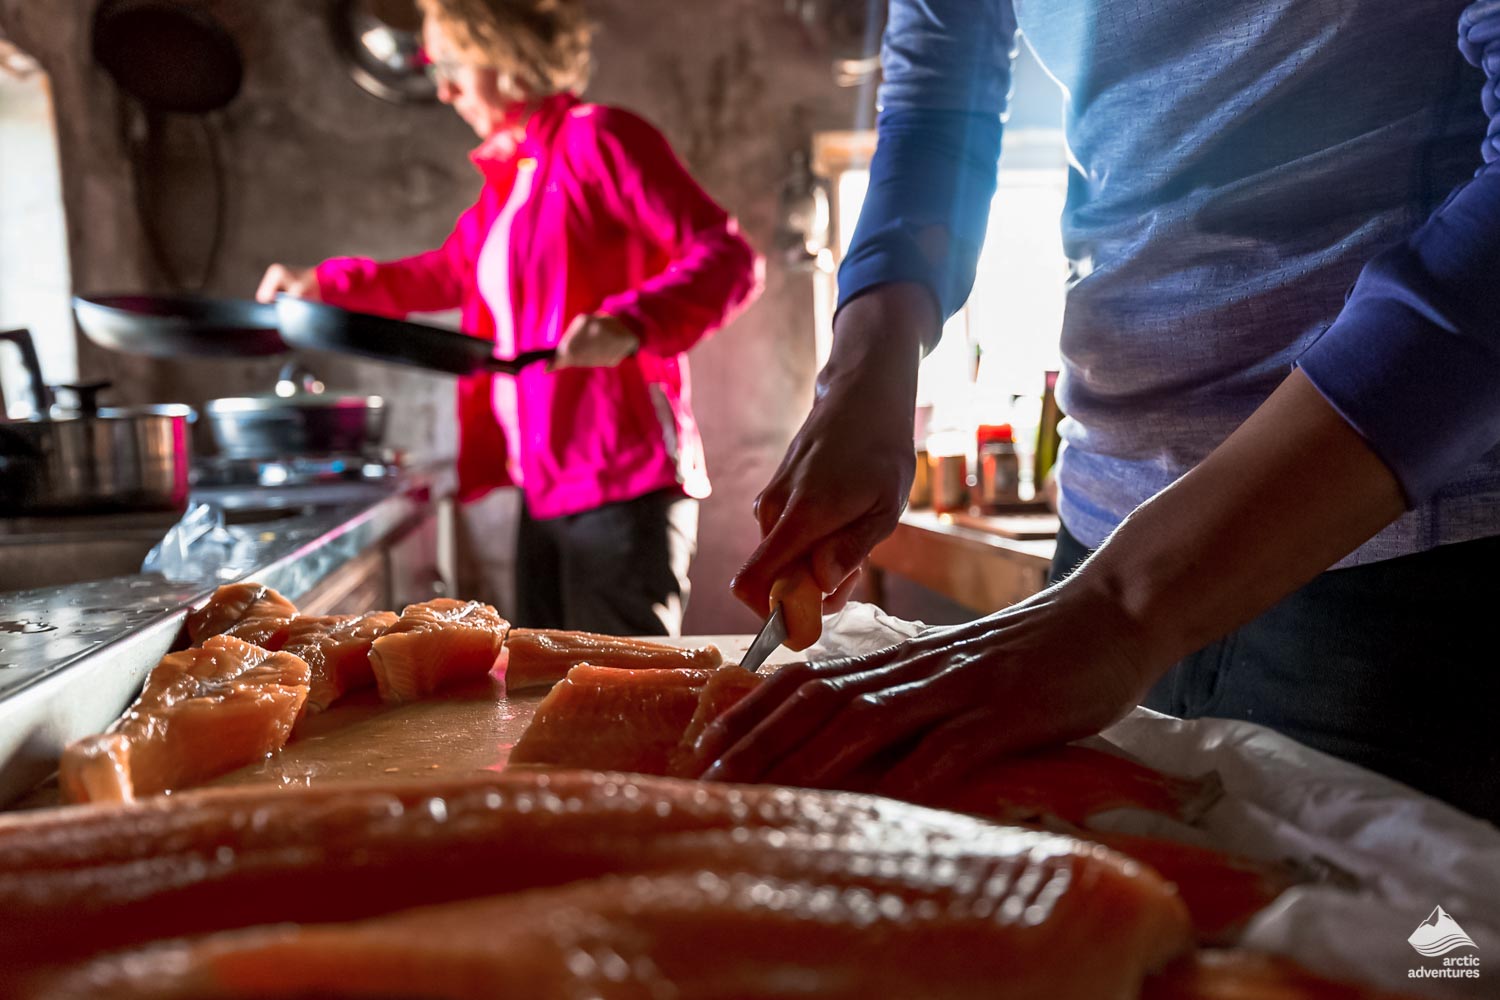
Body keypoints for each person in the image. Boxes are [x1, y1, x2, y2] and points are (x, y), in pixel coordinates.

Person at [709, 1, 1500, 821]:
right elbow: (937, 96)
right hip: (1096, 540)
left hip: (1391, 568)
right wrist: (864, 371)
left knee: (1410, 949)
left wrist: (1127, 608)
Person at [259, 0, 762, 636]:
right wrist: (321, 284)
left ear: (505, 52)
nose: (442, 90)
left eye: (452, 66)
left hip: (620, 480)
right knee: (544, 696)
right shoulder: (513, 183)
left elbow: (729, 257)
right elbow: (441, 275)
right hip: (546, 486)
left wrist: (631, 322)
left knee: (627, 703)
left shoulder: (598, 138)